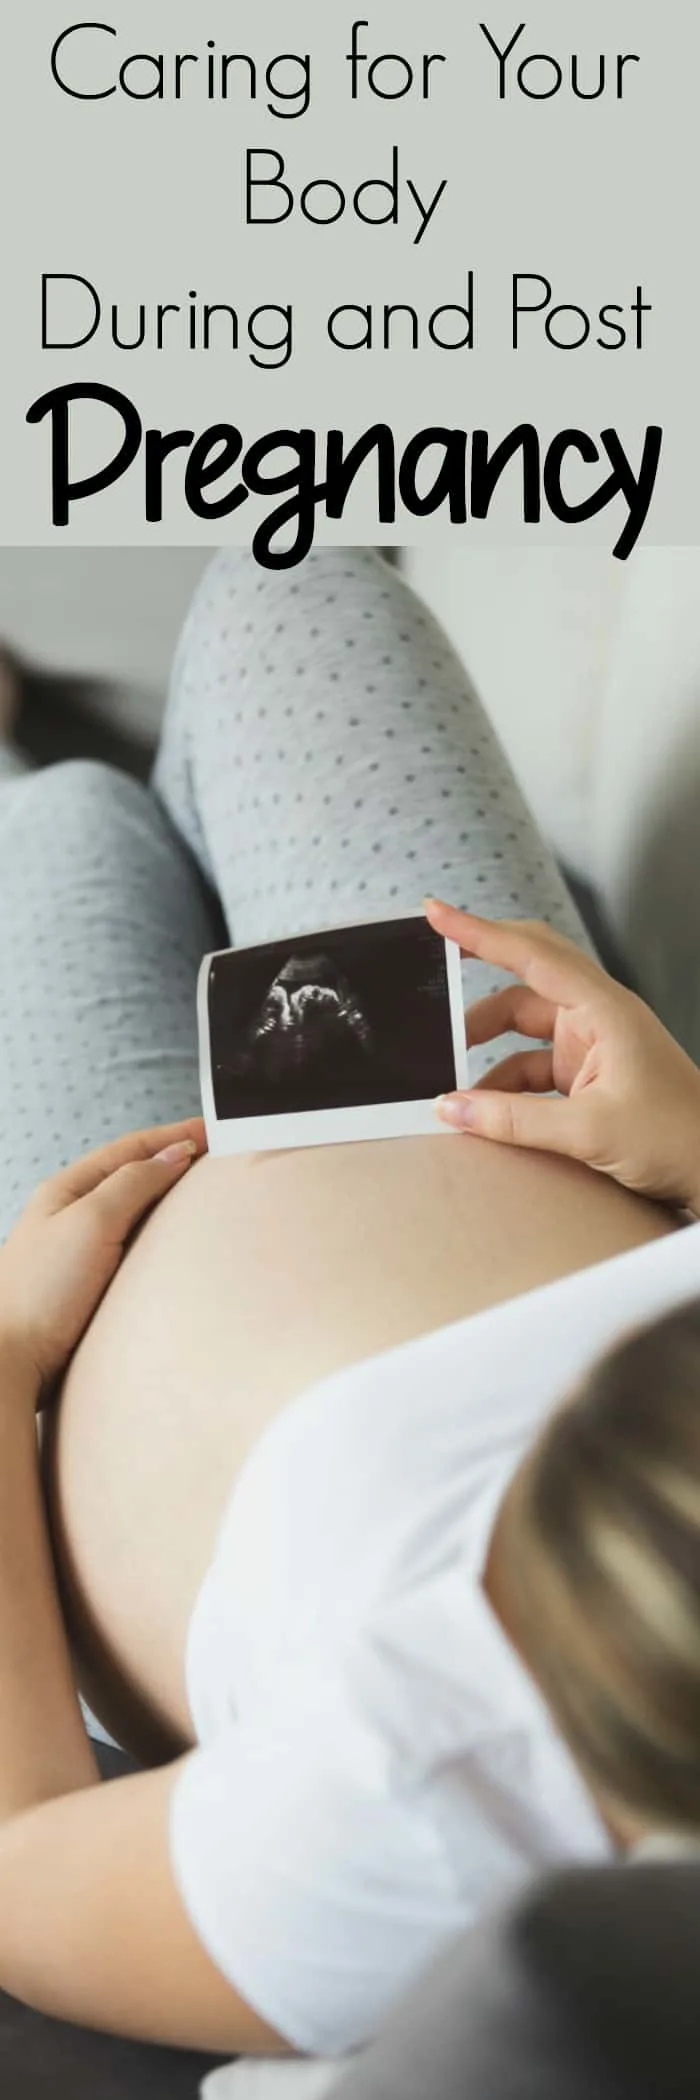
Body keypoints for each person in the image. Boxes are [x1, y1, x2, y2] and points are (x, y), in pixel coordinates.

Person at [0, 549, 698, 2061]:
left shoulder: (422, 1821)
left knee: (53, 832)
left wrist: (1, 1365)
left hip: (80, 1325)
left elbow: (23, 1874)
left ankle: (31, 753)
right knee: (293, 584)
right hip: (496, 1092)